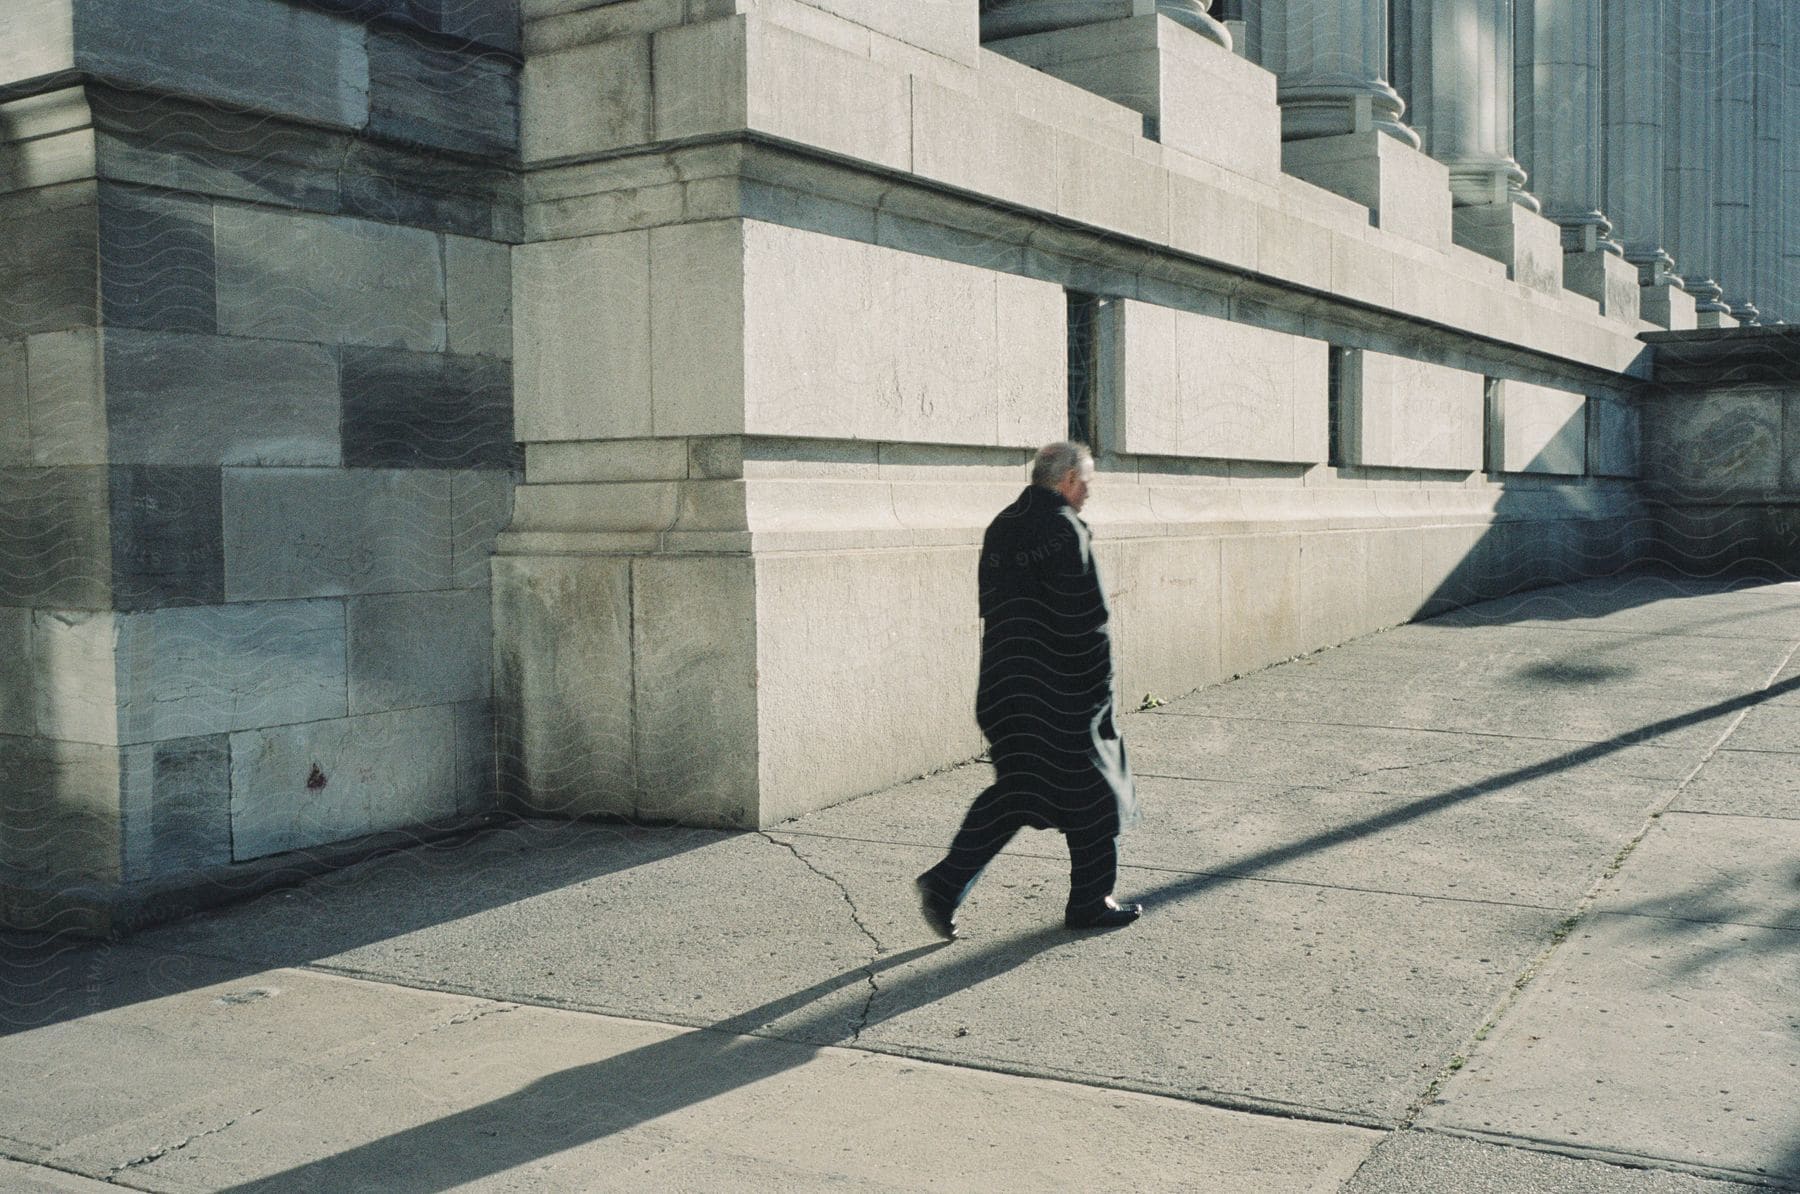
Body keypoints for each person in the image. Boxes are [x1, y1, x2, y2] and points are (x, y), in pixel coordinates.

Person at [915, 441, 1142, 938]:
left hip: (1004, 688)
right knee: (1098, 793)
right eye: (1085, 484)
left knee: (1019, 793)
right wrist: (1098, 696)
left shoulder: (1004, 524)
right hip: (1060, 695)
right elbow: (1086, 623)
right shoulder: (1065, 529)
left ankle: (945, 883)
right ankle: (1090, 900)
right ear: (1065, 482)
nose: (1087, 495)